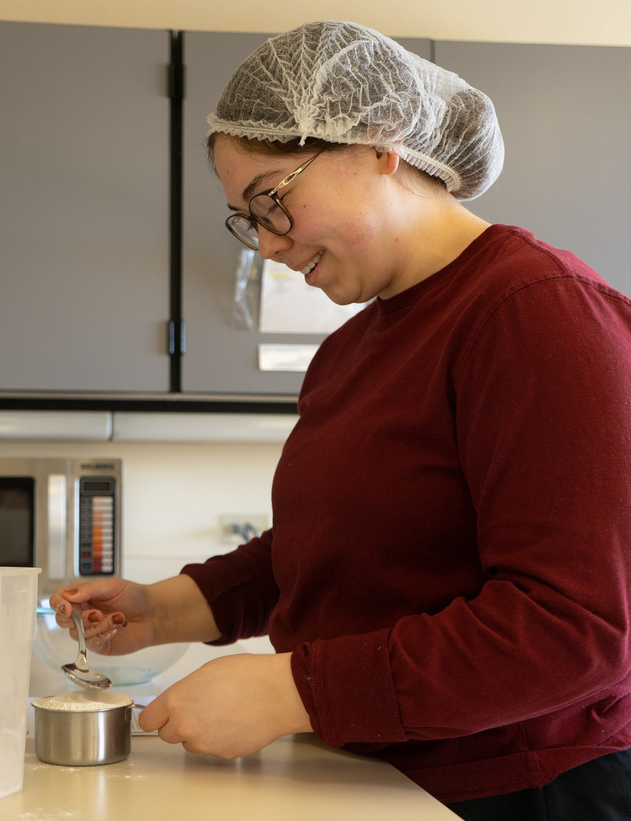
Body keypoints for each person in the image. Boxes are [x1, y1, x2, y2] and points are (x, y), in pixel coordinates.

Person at [50, 20, 631, 819]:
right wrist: (170, 606)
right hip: (383, 776)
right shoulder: (357, 344)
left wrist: (292, 689)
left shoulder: (535, 313)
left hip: (519, 786)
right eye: (245, 217)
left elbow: (574, 629)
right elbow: (333, 545)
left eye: (272, 201)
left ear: (378, 144)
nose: (264, 244)